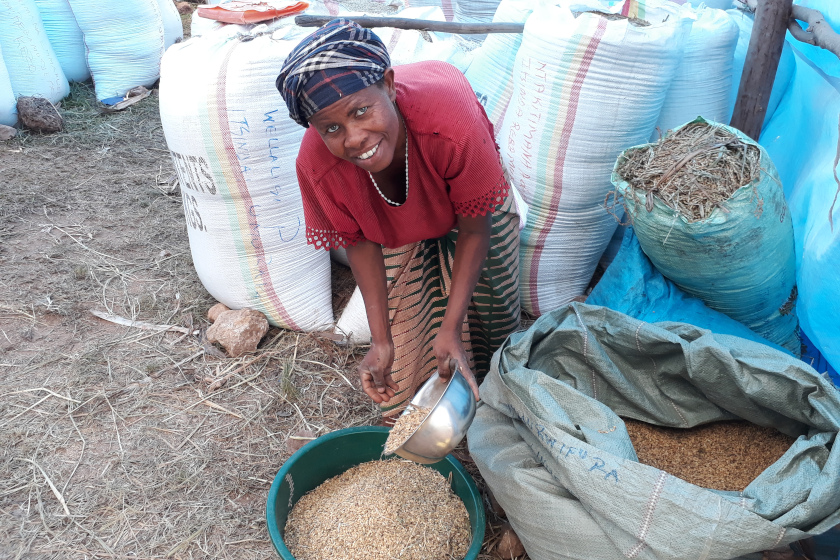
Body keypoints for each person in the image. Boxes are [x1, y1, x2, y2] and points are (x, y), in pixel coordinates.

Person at [276, 19, 520, 422]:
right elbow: (359, 243)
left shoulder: (450, 125)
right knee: (410, 338)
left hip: (466, 209)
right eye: (332, 128)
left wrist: (451, 328)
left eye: (361, 111)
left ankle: (496, 379)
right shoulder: (318, 166)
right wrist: (381, 340)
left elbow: (476, 229)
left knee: (488, 306)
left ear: (389, 85)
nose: (354, 137)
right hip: (397, 225)